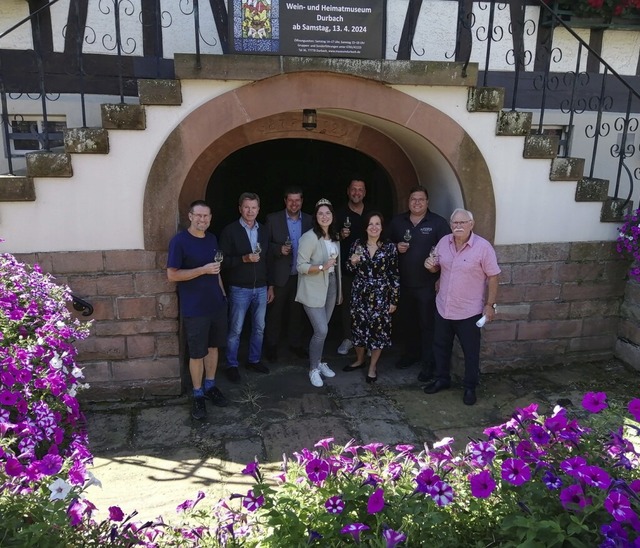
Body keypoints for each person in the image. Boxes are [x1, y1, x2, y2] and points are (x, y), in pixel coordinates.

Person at [423, 208, 500, 406]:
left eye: (462, 223)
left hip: (469, 311)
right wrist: (430, 265)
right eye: (454, 223)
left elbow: (493, 276)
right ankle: (442, 379)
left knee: (471, 352)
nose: (458, 226)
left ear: (471, 225)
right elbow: (436, 266)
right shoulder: (444, 242)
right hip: (444, 307)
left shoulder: (483, 247)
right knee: (440, 347)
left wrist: (489, 305)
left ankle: (470, 387)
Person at [166, 200, 229, 420]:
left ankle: (211, 386)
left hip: (216, 304)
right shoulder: (180, 241)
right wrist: (202, 270)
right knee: (197, 352)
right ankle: (198, 394)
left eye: (206, 216)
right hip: (195, 307)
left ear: (211, 218)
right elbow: (172, 274)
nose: (203, 219)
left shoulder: (212, 239)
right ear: (190, 216)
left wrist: (222, 295)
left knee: (213, 348)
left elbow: (217, 270)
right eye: (199, 215)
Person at [387, 185, 450, 380]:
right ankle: (410, 355)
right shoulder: (398, 221)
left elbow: (448, 253)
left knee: (427, 325)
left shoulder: (438, 223)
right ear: (408, 201)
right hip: (403, 284)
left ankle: (428, 364)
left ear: (427, 202)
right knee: (407, 323)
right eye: (413, 199)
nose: (416, 203)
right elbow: (384, 244)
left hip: (427, 285)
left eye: (421, 199)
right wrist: (395, 246)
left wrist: (440, 278)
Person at [220, 192, 274, 383]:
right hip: (239, 288)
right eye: (246, 207)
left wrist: (270, 285)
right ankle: (231, 365)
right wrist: (243, 259)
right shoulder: (230, 231)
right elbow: (221, 261)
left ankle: (254, 360)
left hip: (260, 288)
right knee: (236, 330)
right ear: (240, 208)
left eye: (254, 207)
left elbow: (268, 260)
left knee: (259, 328)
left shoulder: (265, 230)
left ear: (258, 209)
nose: (250, 211)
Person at [343, 211, 399, 383]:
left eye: (377, 224)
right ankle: (360, 360)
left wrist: (394, 299)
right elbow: (349, 269)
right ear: (365, 228)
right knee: (358, 329)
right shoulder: (357, 244)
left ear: (382, 227)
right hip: (360, 292)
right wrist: (351, 263)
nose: (374, 227)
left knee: (378, 332)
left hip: (382, 294)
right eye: (370, 224)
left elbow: (394, 274)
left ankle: (372, 366)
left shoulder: (389, 247)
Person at [296, 198, 342, 387]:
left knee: (323, 330)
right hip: (313, 287)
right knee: (321, 329)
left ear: (332, 216)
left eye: (328, 213)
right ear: (316, 216)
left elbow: (336, 267)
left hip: (331, 285)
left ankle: (319, 361)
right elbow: (300, 266)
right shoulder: (309, 237)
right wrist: (322, 266)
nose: (324, 216)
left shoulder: (334, 236)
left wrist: (339, 290)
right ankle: (313, 369)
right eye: (321, 213)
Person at [264, 186, 313, 361]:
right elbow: (264, 246)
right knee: (275, 313)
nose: (294, 203)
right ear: (285, 201)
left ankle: (296, 344)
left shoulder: (309, 220)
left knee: (297, 313)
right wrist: (278, 249)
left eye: (297, 200)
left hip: (301, 276)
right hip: (279, 276)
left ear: (302, 201)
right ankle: (271, 346)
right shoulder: (272, 219)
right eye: (290, 200)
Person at [334, 177, 371, 355]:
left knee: (369, 305)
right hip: (347, 269)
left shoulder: (372, 213)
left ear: (364, 192)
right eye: (354, 189)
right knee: (348, 304)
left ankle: (368, 341)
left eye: (360, 189)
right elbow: (329, 239)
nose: (357, 193)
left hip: (370, 269)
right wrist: (340, 235)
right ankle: (348, 338)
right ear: (348, 191)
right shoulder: (339, 213)